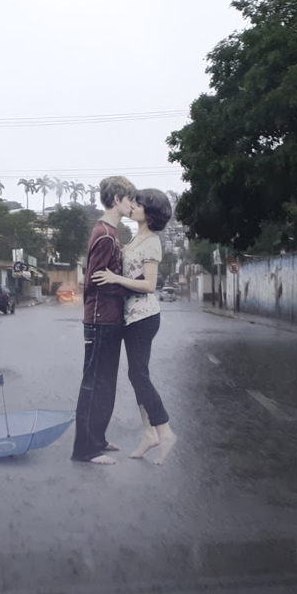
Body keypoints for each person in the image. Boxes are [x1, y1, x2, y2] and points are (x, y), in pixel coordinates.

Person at [92, 188, 177, 465]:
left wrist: (115, 278)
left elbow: (150, 285)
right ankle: (148, 434)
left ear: (150, 212)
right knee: (137, 374)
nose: (134, 206)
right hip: (131, 316)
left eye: (140, 203)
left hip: (144, 317)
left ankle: (164, 431)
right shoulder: (135, 238)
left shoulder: (151, 241)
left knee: (138, 375)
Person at [71, 176, 136, 465]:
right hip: (100, 319)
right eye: (129, 199)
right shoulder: (105, 234)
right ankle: (84, 450)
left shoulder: (111, 232)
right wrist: (129, 286)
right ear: (116, 200)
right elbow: (95, 281)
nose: (132, 204)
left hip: (111, 318)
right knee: (94, 383)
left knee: (106, 382)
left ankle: (97, 439)